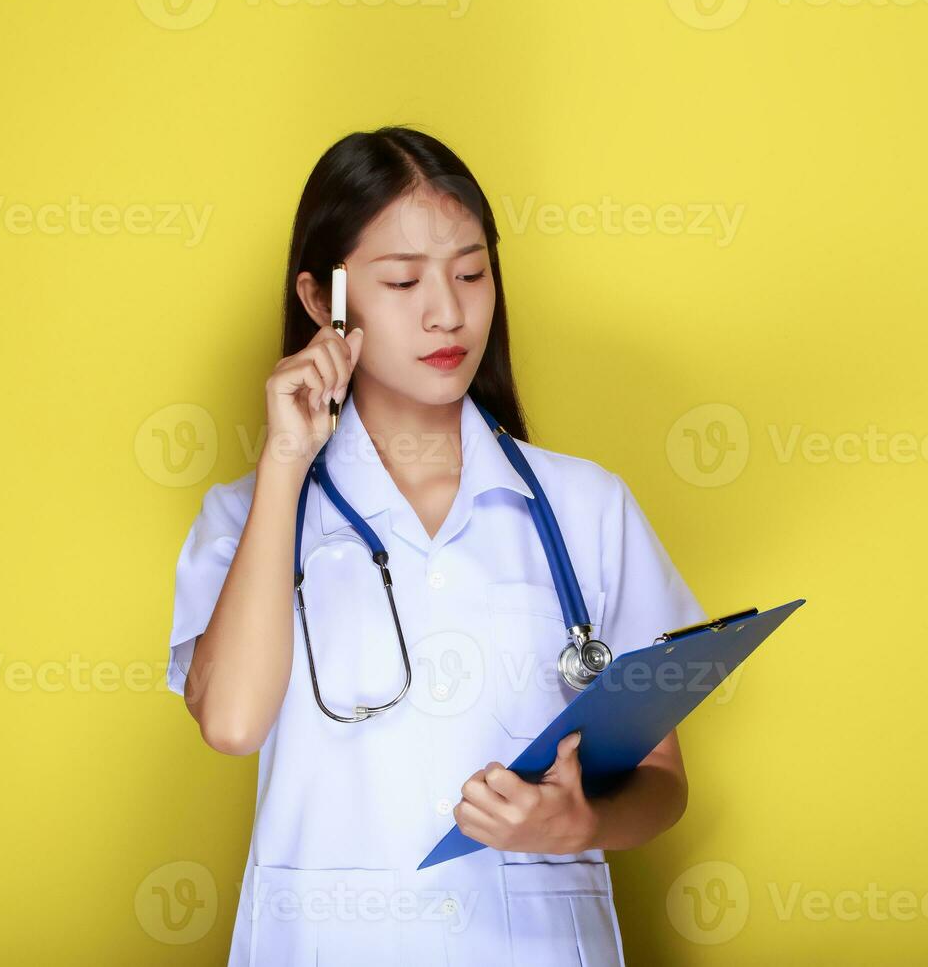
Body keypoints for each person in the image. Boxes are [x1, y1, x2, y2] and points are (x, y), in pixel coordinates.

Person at [167, 126, 707, 966]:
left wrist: (580, 820)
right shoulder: (248, 515)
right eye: (402, 280)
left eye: (470, 272)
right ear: (324, 302)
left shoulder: (585, 507)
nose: (448, 312)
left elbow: (663, 783)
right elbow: (232, 723)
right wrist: (284, 463)